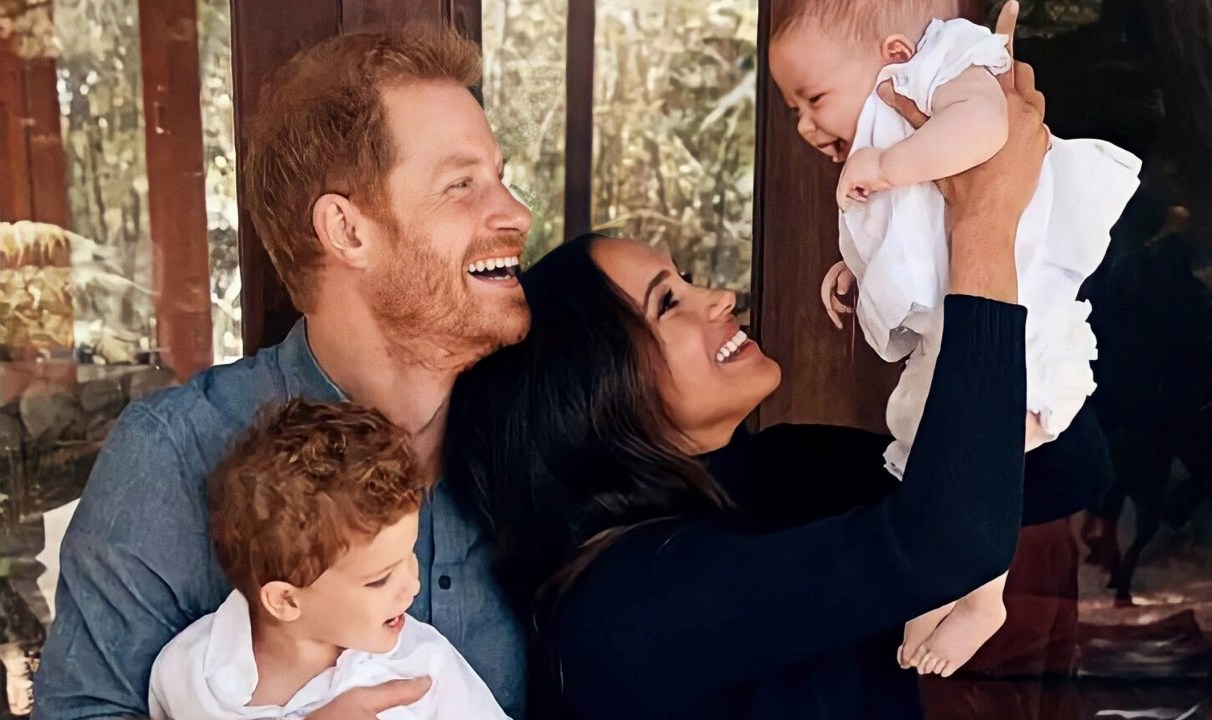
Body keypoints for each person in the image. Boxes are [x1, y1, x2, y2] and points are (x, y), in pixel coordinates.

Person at [444, 28, 1108, 719]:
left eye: (688, 279)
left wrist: (982, 237)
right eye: (668, 303)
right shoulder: (629, 600)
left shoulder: (782, 471)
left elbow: (1065, 469)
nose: (718, 298)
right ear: (591, 394)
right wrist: (982, 226)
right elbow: (950, 542)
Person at [35, 26, 531, 720]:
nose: (516, 213)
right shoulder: (175, 455)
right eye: (462, 185)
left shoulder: (536, 430)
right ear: (347, 230)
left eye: (501, 179)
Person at [767, 0, 1139, 674]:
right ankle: (941, 580)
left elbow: (985, 126)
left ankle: (983, 594)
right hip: (964, 318)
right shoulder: (893, 134)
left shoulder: (946, 66)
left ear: (895, 56)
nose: (805, 123)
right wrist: (855, 270)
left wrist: (886, 165)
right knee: (930, 446)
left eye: (813, 97)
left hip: (1022, 315)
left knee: (982, 451)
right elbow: (917, 231)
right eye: (794, 107)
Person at [148, 400, 509, 720]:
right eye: (379, 578)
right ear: (286, 599)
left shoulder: (422, 666)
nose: (413, 585)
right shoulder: (188, 673)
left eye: (409, 554)